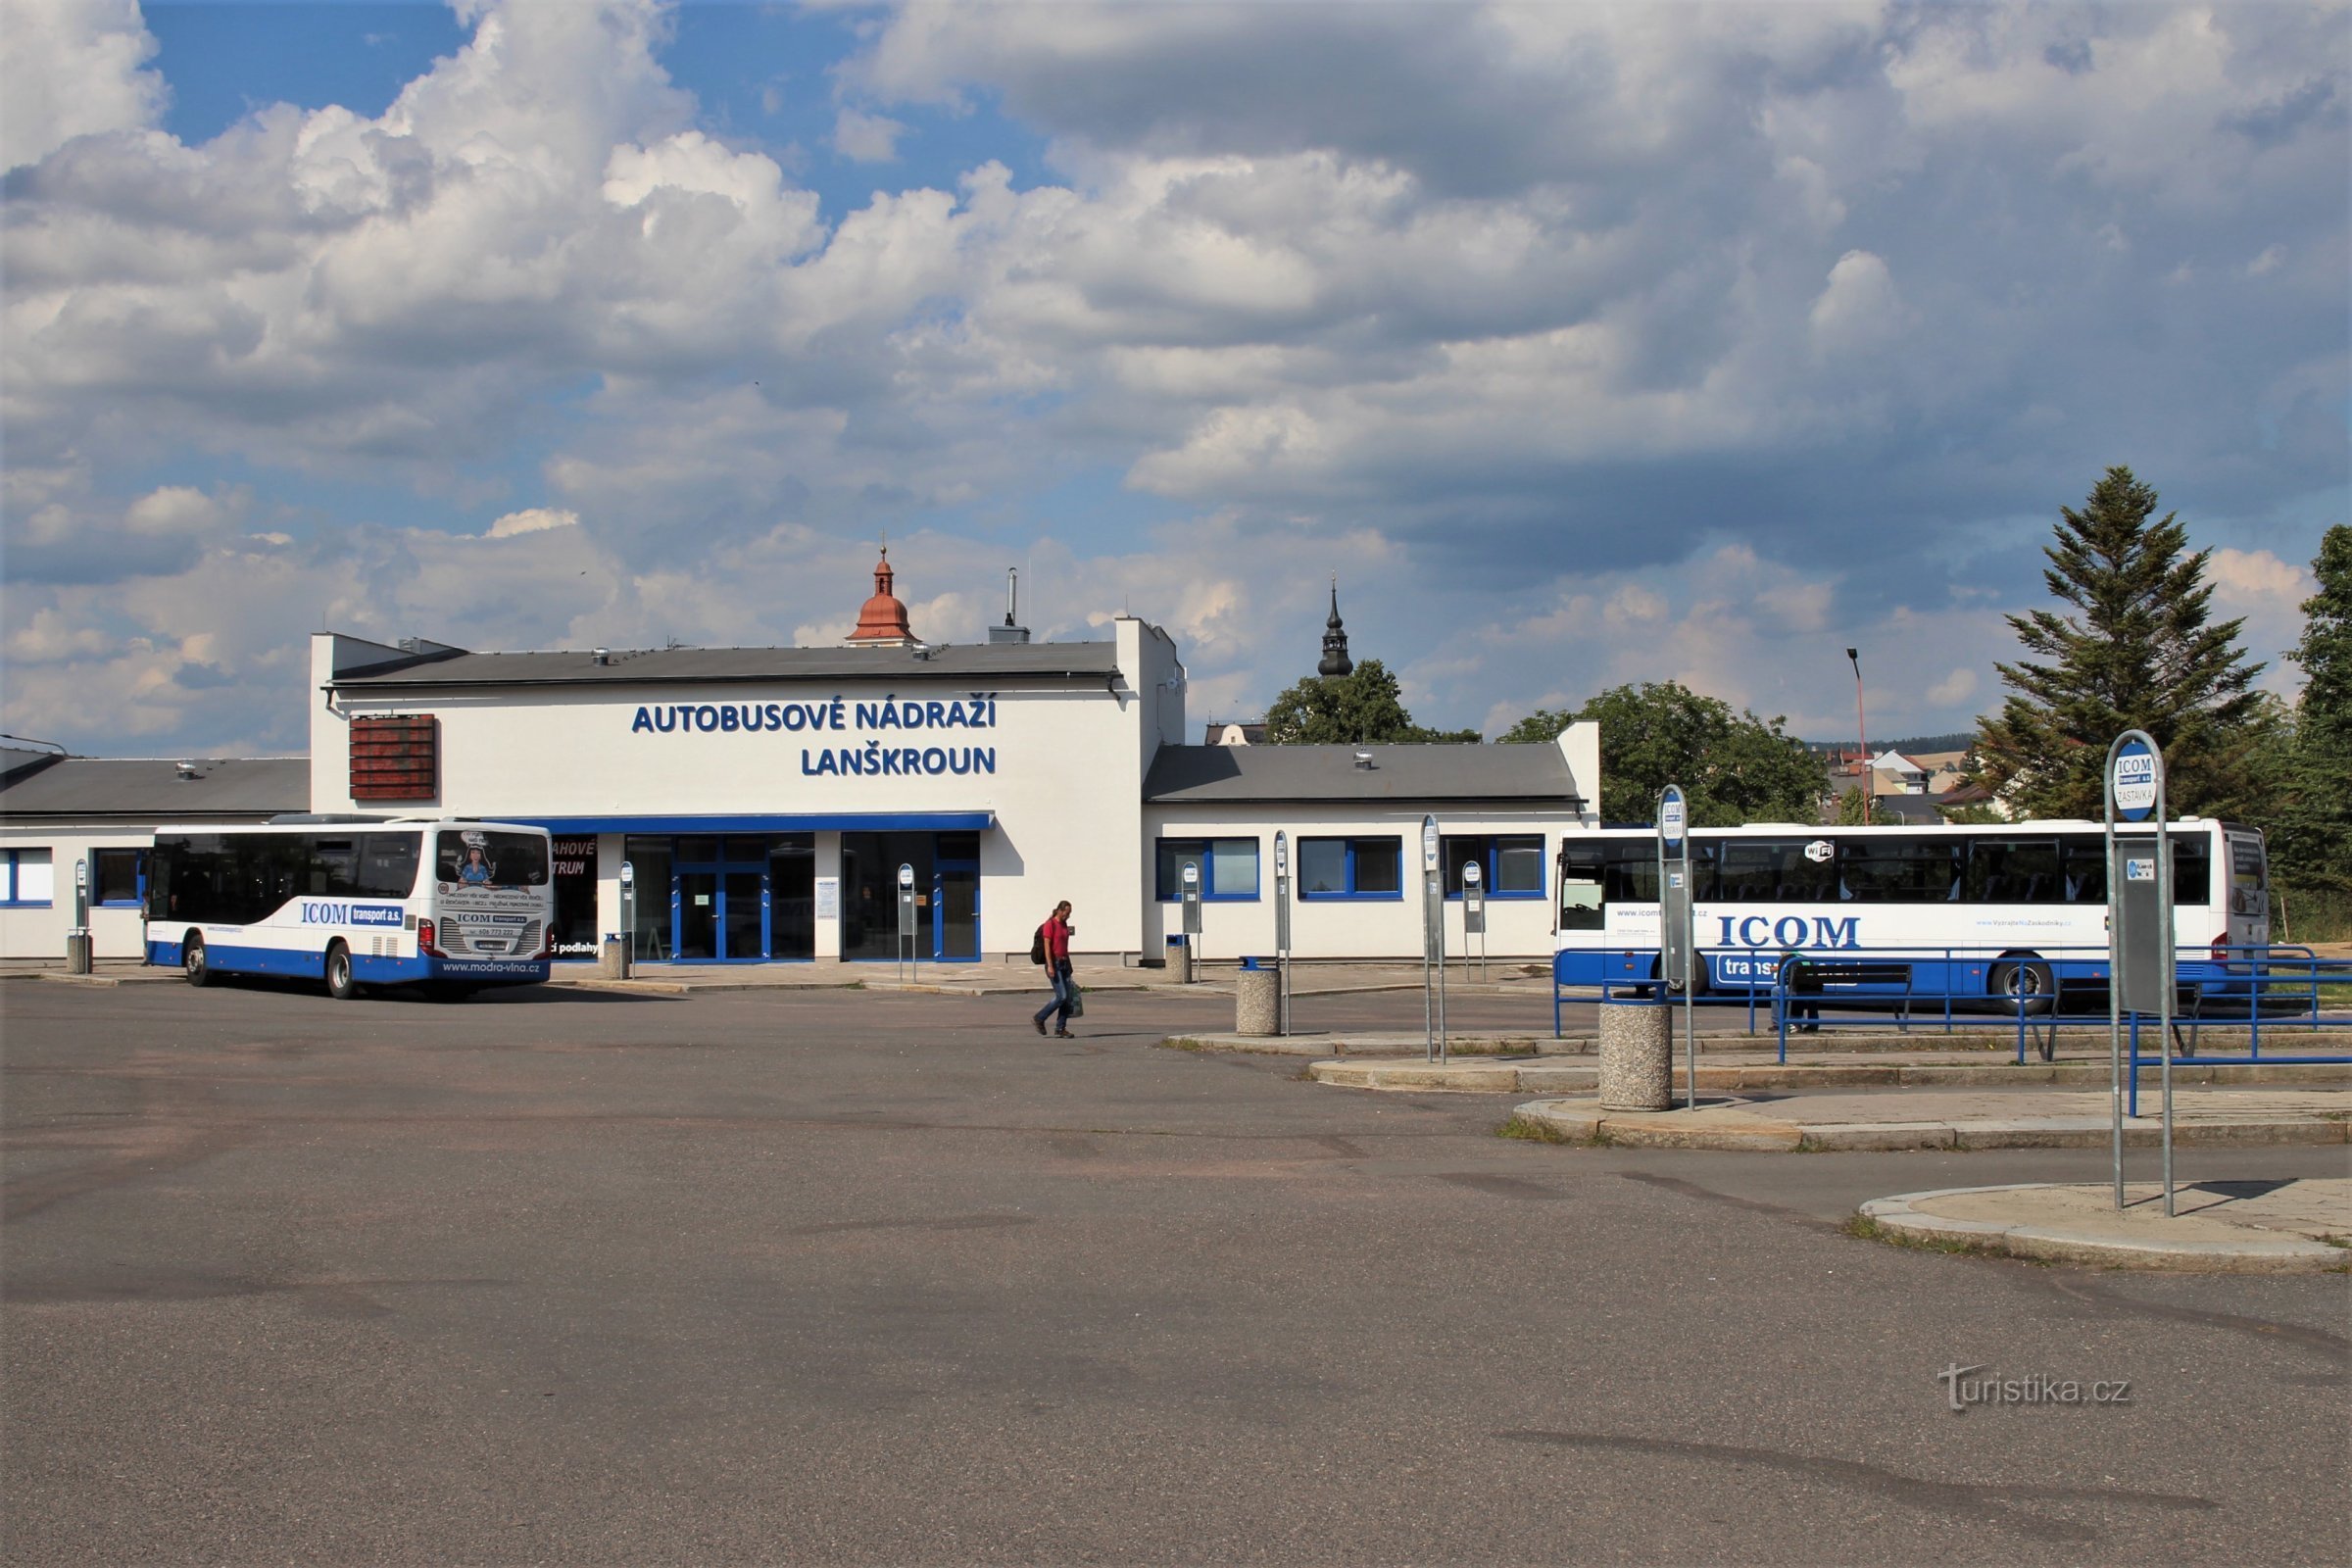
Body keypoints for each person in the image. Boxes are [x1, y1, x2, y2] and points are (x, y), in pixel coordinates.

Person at [1032, 901, 1076, 1037]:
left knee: (1067, 998)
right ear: (1060, 910)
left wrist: (1069, 965)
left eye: (1069, 914)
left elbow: (1064, 946)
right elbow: (1047, 946)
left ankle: (1060, 1028)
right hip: (1054, 964)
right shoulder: (1049, 924)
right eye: (1067, 913)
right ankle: (1039, 1018)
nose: (1068, 916)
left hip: (1064, 963)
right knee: (1061, 996)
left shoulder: (1063, 924)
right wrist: (1050, 965)